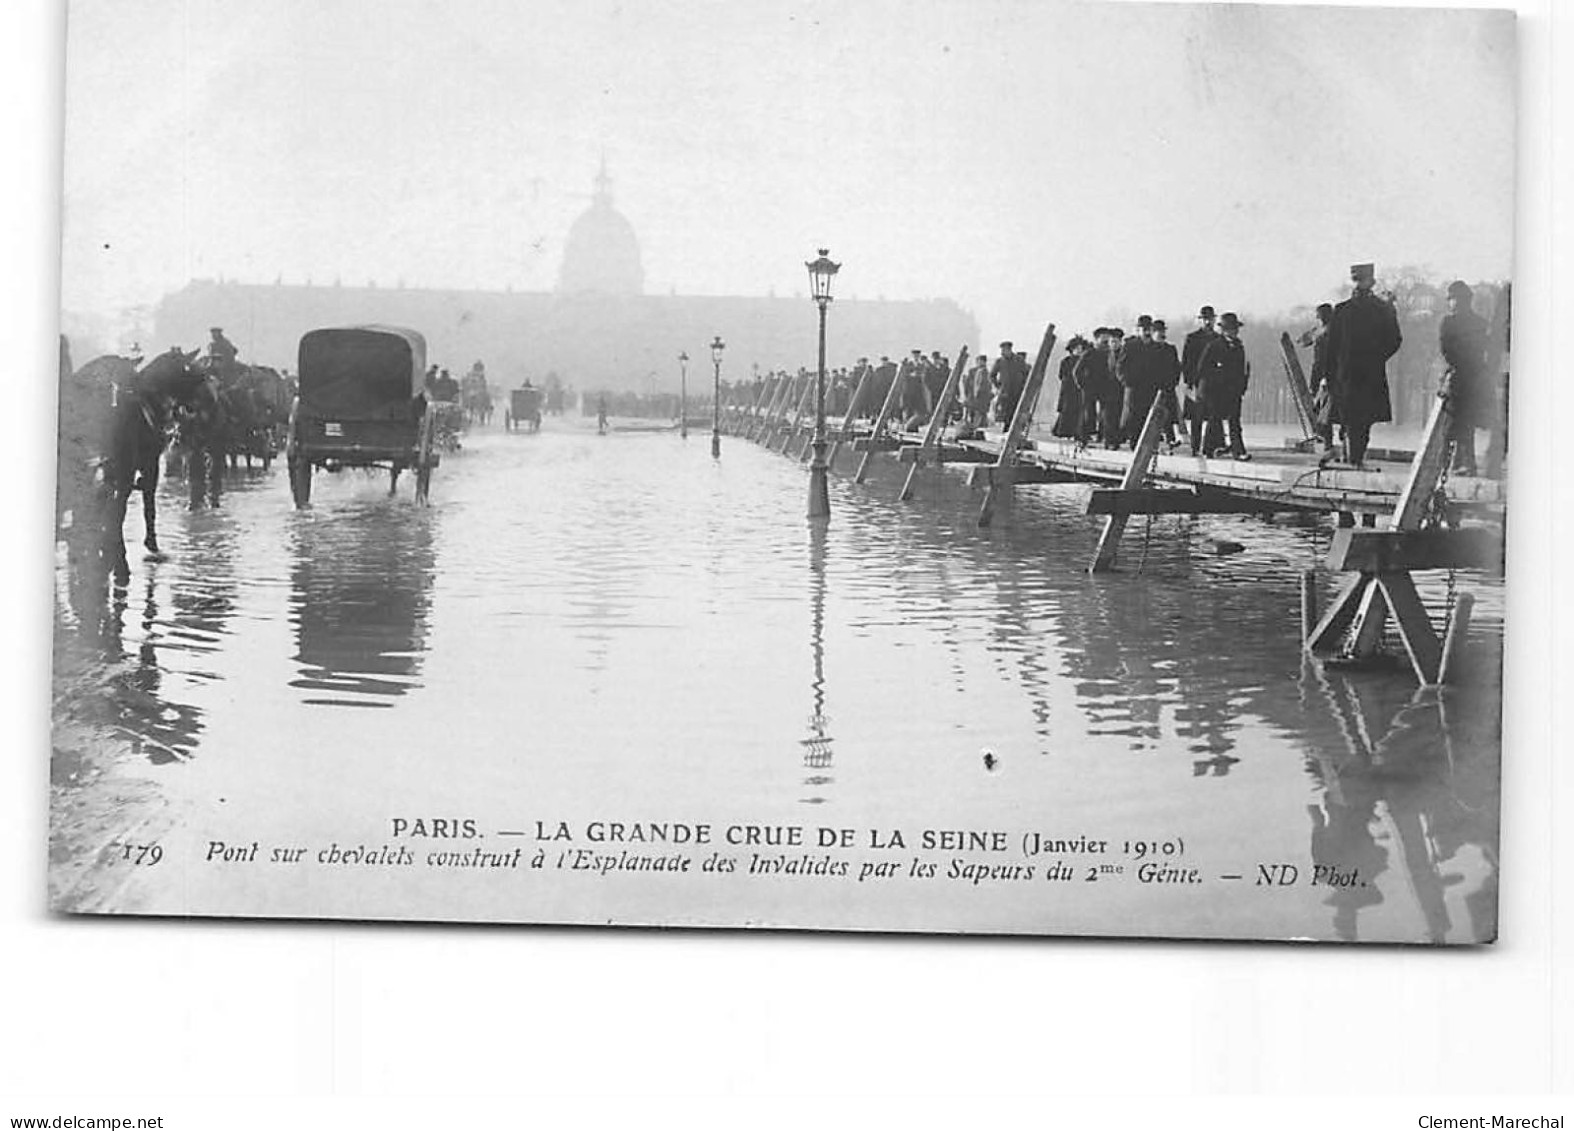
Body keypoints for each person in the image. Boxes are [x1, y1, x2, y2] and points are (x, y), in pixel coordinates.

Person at [1325, 262, 1401, 469]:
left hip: (1365, 376)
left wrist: (1376, 358)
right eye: (1357, 280)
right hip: (1349, 376)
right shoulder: (1343, 311)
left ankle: (1354, 458)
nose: (1360, 285)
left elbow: (1394, 340)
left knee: (1361, 421)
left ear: (1371, 282)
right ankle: (1354, 460)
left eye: (1363, 281)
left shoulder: (1380, 309)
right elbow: (1331, 350)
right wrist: (1330, 377)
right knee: (1352, 419)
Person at [1438, 279, 1490, 476]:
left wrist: (1457, 367)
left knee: (1450, 425)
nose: (1451, 303)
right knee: (1467, 424)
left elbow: (1446, 350)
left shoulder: (1448, 323)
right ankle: (1466, 464)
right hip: (1473, 377)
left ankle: (1446, 465)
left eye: (1452, 299)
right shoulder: (1480, 323)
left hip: (1458, 378)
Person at [1196, 312, 1250, 458]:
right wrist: (1217, 376)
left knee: (1234, 421)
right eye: (1231, 329)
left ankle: (1238, 451)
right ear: (1224, 330)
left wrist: (1241, 386)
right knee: (1215, 419)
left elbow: (1242, 369)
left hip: (1233, 391)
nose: (1235, 331)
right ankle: (1207, 450)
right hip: (1215, 391)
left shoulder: (1239, 346)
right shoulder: (1214, 346)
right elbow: (1202, 368)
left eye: (1236, 328)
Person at [1298, 303, 1337, 455]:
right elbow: (1302, 341)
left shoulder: (1330, 332)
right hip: (1319, 372)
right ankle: (1327, 442)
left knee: (1326, 409)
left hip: (1327, 373)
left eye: (1319, 317)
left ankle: (1328, 443)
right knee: (1323, 408)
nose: (1317, 319)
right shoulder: (1321, 331)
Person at [1116, 315, 1161, 447]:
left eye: (1149, 329)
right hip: (1134, 388)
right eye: (1144, 329)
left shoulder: (1156, 348)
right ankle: (1134, 444)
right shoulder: (1130, 346)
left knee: (1149, 416)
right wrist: (1127, 382)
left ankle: (1149, 445)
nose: (1147, 332)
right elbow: (1120, 368)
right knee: (1133, 417)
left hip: (1151, 388)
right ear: (1138, 330)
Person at [1181, 305, 1219, 455]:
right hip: (1198, 382)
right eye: (1205, 319)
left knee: (1213, 416)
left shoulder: (1218, 338)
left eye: (1210, 319)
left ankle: (1211, 446)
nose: (1208, 322)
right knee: (1197, 417)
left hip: (1215, 383)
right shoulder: (1192, 338)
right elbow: (1186, 361)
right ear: (1200, 320)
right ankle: (1195, 446)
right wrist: (1189, 382)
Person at [1073, 328, 1115, 447]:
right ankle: (1083, 438)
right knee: (1088, 413)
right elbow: (1077, 371)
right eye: (1103, 340)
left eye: (1107, 340)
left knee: (1107, 414)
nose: (1106, 343)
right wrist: (1082, 385)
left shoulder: (1109, 353)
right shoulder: (1089, 353)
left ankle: (1107, 439)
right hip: (1090, 387)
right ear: (1096, 340)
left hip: (1106, 387)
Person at [1151, 320, 1182, 449]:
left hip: (1168, 386)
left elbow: (1176, 367)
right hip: (1151, 388)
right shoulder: (1149, 350)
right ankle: (1153, 440)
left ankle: (1171, 439)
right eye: (1159, 332)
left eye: (1163, 332)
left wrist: (1173, 382)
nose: (1162, 334)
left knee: (1168, 414)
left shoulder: (1170, 349)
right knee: (1152, 415)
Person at [1051, 336, 1088, 439]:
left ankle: (1077, 431)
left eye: (1081, 348)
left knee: (1079, 409)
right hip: (1068, 388)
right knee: (1067, 409)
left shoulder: (1084, 360)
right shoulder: (1065, 361)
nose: (1079, 351)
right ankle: (1063, 431)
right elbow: (1061, 375)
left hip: (1079, 388)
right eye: (1077, 348)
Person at [990, 341, 1026, 426]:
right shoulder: (999, 361)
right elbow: (992, 375)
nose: (1002, 352)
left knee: (1015, 409)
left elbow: (1025, 373)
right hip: (1005, 390)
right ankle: (1007, 427)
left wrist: (1023, 383)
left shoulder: (1018, 360)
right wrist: (998, 385)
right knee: (1006, 410)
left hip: (1017, 390)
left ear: (1009, 350)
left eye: (1004, 350)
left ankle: (1014, 427)